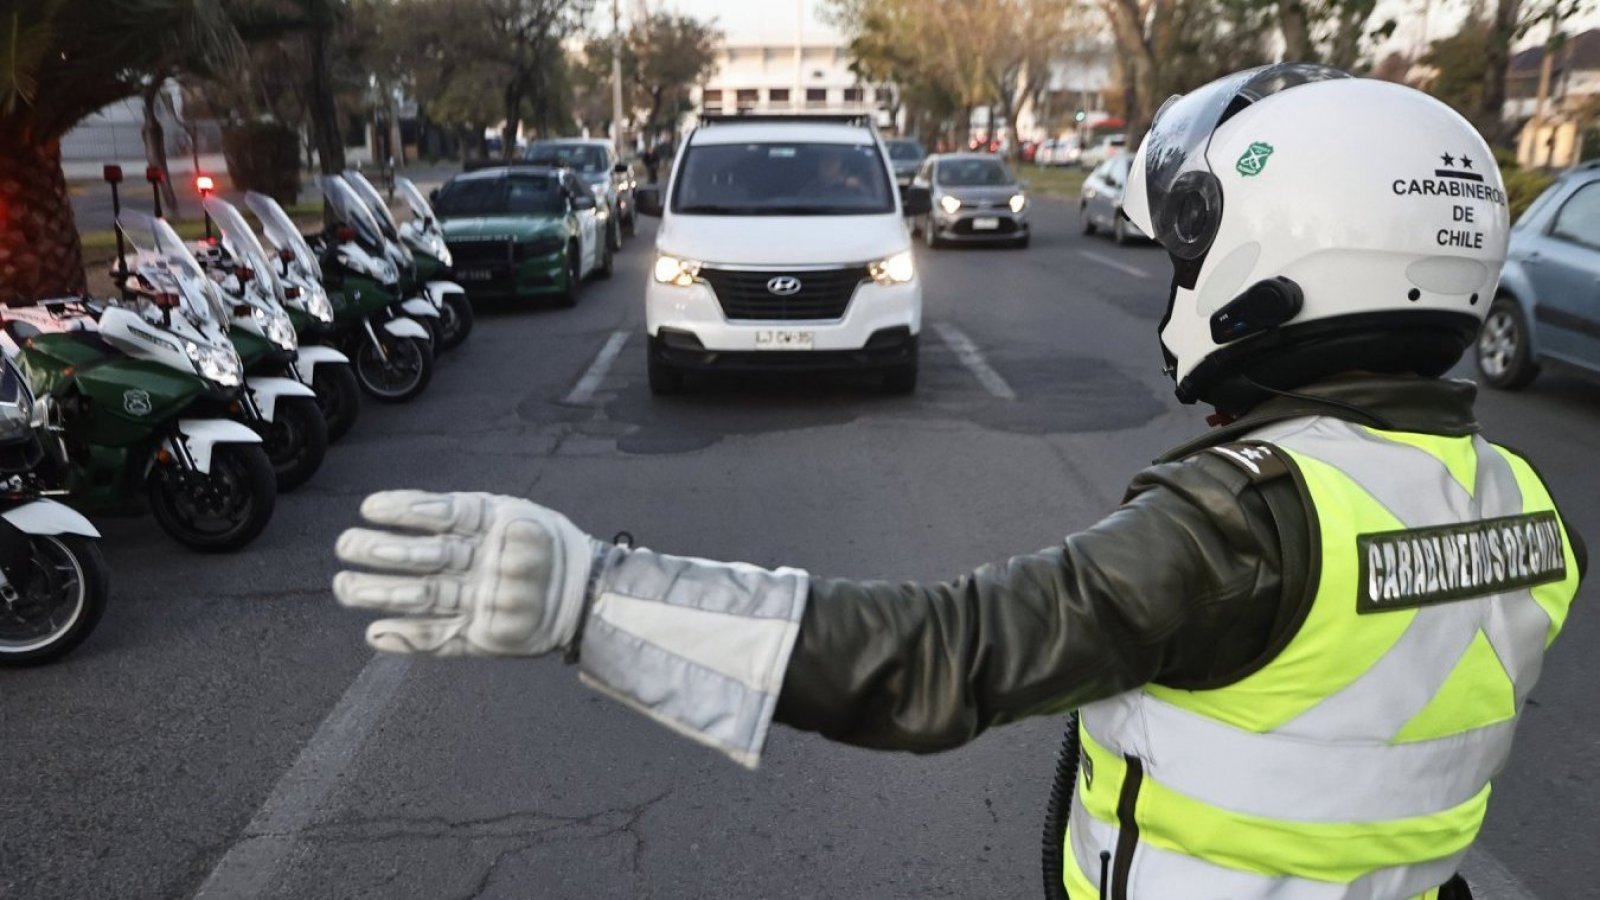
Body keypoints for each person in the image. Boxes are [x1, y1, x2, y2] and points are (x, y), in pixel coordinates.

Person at [332, 64, 1584, 899]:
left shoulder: (1246, 523)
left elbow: (944, 655)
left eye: (1191, 254)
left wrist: (593, 601)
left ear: (1278, 265)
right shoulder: (1521, 507)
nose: (1175, 285)